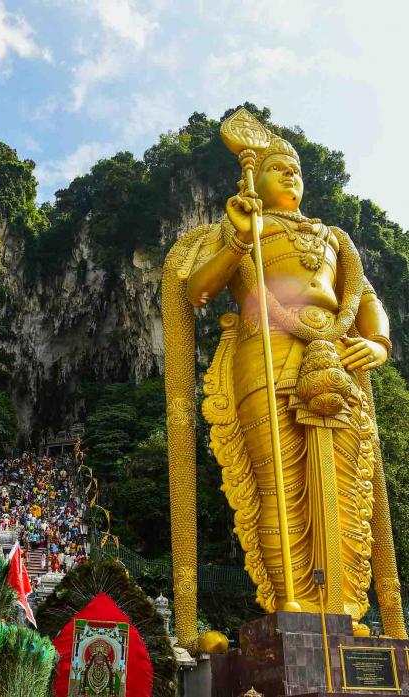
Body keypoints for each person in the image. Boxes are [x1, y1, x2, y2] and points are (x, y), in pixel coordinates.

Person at [164, 111, 406, 648]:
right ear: (255, 178)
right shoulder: (242, 227)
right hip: (266, 352)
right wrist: (236, 240)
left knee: (344, 484)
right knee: (279, 481)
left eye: (295, 168)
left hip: (336, 355)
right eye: (277, 167)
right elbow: (196, 292)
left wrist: (378, 342)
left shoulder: (334, 237)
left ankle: (341, 605)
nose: (290, 175)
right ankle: (287, 601)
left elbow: (366, 299)